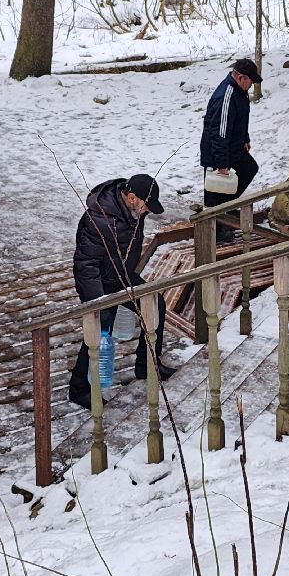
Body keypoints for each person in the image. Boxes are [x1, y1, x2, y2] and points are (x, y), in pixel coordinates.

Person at [67, 173, 177, 407]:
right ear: (131, 197)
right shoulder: (98, 219)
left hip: (121, 276)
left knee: (153, 302)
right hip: (96, 282)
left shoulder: (133, 212)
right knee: (99, 326)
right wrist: (98, 302)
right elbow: (86, 266)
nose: (147, 211)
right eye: (146, 205)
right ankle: (79, 389)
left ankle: (148, 365)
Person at [200, 57, 262, 242]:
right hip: (217, 151)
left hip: (233, 146)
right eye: (250, 81)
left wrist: (245, 138)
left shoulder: (239, 92)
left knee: (249, 168)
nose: (251, 85)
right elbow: (219, 133)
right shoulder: (226, 96)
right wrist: (222, 164)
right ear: (241, 77)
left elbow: (240, 118)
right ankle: (214, 233)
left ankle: (225, 208)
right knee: (212, 194)